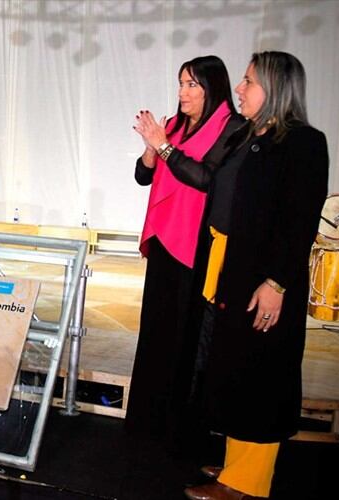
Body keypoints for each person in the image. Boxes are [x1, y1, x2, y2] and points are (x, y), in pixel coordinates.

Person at [183, 52, 328, 500]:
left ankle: (246, 482)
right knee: (234, 369)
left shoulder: (303, 142)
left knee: (259, 376)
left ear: (277, 88)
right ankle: (235, 463)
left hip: (263, 278)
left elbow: (298, 221)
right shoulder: (248, 135)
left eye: (249, 81)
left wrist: (276, 283)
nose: (239, 89)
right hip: (232, 268)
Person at [126, 55, 244, 449]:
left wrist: (163, 147)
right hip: (164, 238)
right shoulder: (173, 125)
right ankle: (145, 422)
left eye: (192, 84)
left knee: (186, 338)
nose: (183, 92)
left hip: (197, 245)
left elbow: (206, 178)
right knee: (155, 333)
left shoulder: (231, 128)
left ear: (213, 88)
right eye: (181, 83)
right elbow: (143, 176)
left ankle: (178, 429)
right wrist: (151, 149)